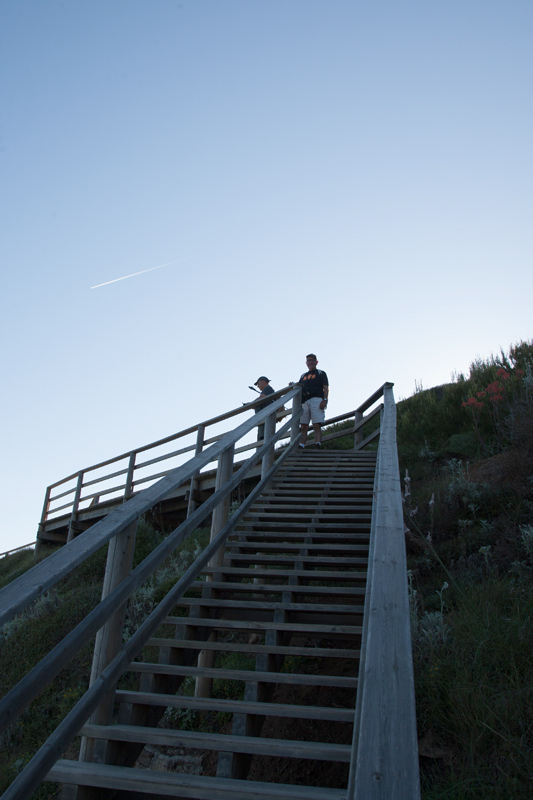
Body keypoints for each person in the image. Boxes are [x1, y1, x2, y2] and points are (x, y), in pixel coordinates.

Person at [297, 354, 329, 448]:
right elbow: (299, 387)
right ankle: (302, 444)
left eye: (312, 360)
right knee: (303, 425)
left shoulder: (321, 373)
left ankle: (317, 443)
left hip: (317, 399)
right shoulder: (303, 376)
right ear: (306, 363)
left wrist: (325, 400)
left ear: (316, 362)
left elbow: (326, 387)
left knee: (316, 424)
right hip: (304, 401)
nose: (310, 362)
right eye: (308, 361)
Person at [253, 376, 275, 441]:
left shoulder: (267, 388)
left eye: (258, 383)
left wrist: (251, 404)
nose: (258, 386)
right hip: (266, 417)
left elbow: (262, 398)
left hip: (265, 416)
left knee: (263, 437)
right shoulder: (269, 389)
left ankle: (262, 436)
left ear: (263, 381)